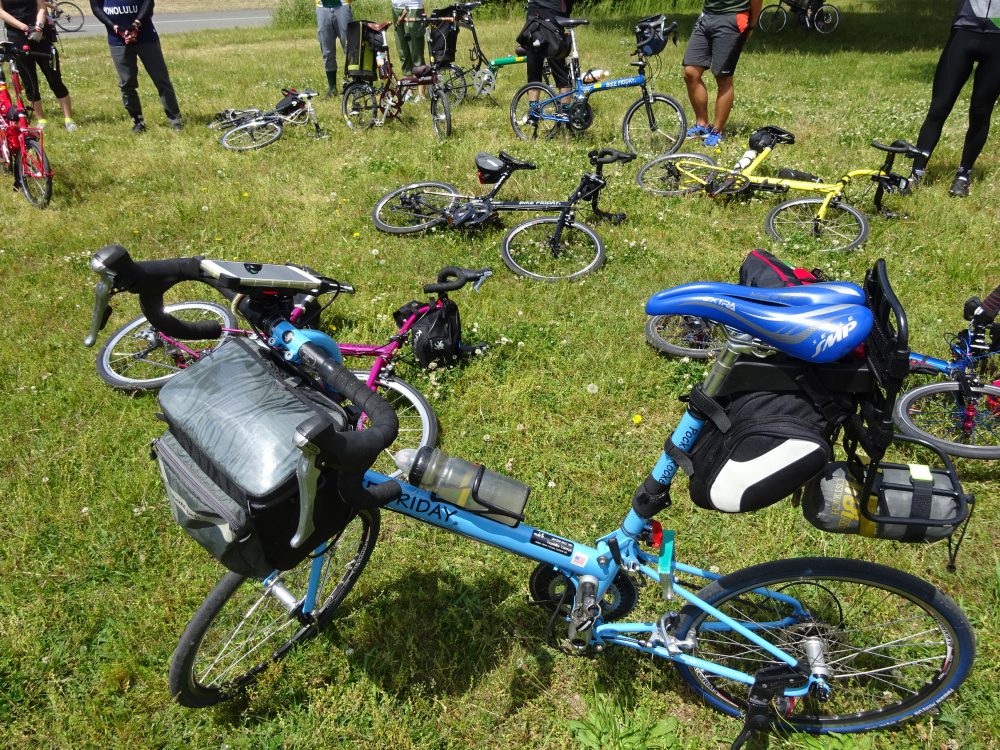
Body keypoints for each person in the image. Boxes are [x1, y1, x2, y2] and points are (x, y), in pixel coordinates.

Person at [910, 0, 1000, 198]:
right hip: (965, 30)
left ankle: (963, 174)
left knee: (981, 111)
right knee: (939, 107)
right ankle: (916, 173)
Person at [89, 0, 182, 133]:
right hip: (117, 40)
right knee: (127, 83)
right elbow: (96, 8)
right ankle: (138, 121)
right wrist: (114, 26)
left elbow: (148, 2)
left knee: (161, 79)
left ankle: (175, 118)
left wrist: (137, 23)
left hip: (146, 37)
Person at [682, 0, 761, 148]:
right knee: (690, 72)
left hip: (733, 17)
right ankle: (702, 125)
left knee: (723, 77)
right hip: (707, 16)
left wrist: (752, 24)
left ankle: (717, 131)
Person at [0, 0, 77, 130]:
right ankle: (41, 119)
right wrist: (23, 27)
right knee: (30, 82)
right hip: (17, 36)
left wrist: (39, 27)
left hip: (40, 35)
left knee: (54, 78)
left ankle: (68, 119)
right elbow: (1, 12)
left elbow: (41, 7)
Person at [522, 0, 573, 101]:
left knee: (554, 68)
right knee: (535, 69)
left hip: (550, 12)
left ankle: (564, 112)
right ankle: (534, 113)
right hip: (538, 12)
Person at [391, 0, 426, 101]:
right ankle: (408, 91)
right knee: (403, 52)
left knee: (416, 53)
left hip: (414, 7)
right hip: (396, 8)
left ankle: (421, 94)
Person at [316, 0, 352, 99]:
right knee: (327, 51)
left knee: (350, 48)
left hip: (342, 6)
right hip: (322, 7)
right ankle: (332, 89)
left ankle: (356, 86)